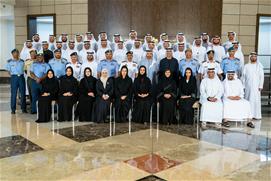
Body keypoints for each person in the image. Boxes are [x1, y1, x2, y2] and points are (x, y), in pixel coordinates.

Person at [242, 52, 264, 120]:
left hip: (256, 87)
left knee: (256, 100)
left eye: (255, 56)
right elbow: (243, 77)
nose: (254, 57)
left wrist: (260, 86)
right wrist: (243, 86)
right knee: (248, 100)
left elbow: (262, 77)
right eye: (252, 56)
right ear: (250, 57)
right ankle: (248, 115)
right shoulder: (246, 66)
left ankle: (256, 115)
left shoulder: (259, 66)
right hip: (248, 87)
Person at [5, 49, 27, 114]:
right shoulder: (9, 62)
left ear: (18, 54)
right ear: (12, 54)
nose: (16, 54)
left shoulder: (22, 62)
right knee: (13, 94)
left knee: (23, 93)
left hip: (21, 77)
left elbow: (25, 69)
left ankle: (23, 108)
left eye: (17, 53)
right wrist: (13, 76)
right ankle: (13, 109)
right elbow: (8, 71)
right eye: (14, 53)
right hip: (14, 77)